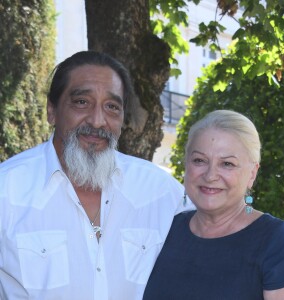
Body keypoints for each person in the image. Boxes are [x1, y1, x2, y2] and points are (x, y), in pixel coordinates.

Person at [0, 51, 194, 300]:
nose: (98, 120)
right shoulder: (7, 191)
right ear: (52, 111)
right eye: (82, 102)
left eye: (112, 107)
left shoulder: (162, 193)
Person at [143, 110, 284, 300]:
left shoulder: (277, 241)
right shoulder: (166, 229)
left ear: (252, 173)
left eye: (227, 164)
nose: (210, 176)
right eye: (199, 160)